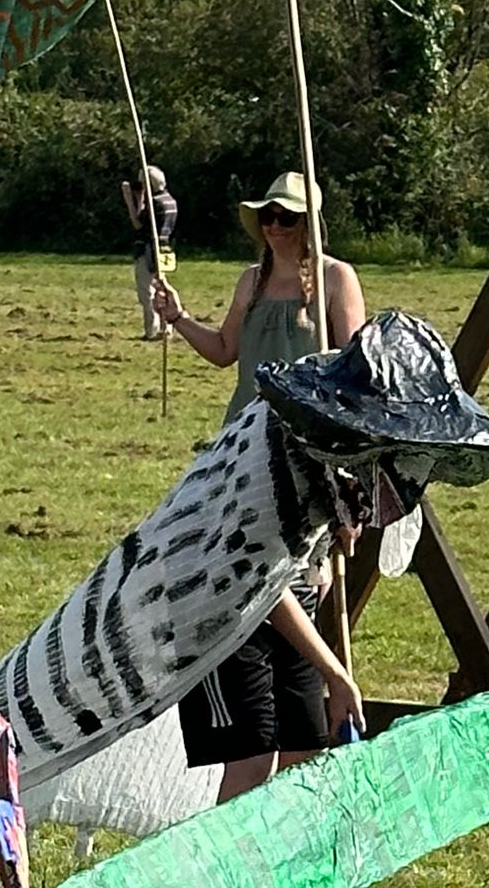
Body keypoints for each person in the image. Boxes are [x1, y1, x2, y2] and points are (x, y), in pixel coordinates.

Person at [152, 170, 366, 800]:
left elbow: (354, 379)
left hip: (308, 453)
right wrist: (177, 317)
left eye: (287, 217)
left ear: (309, 223)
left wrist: (346, 488)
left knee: (303, 583)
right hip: (244, 454)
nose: (275, 226)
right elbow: (225, 351)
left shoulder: (336, 279)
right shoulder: (250, 281)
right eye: (268, 216)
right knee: (258, 576)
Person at [119, 164, 178, 341]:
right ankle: (167, 327)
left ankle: (152, 330)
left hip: (148, 250)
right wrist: (141, 198)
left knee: (147, 291)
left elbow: (138, 224)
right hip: (164, 248)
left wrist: (129, 200)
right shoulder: (169, 200)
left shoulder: (155, 204)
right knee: (162, 287)